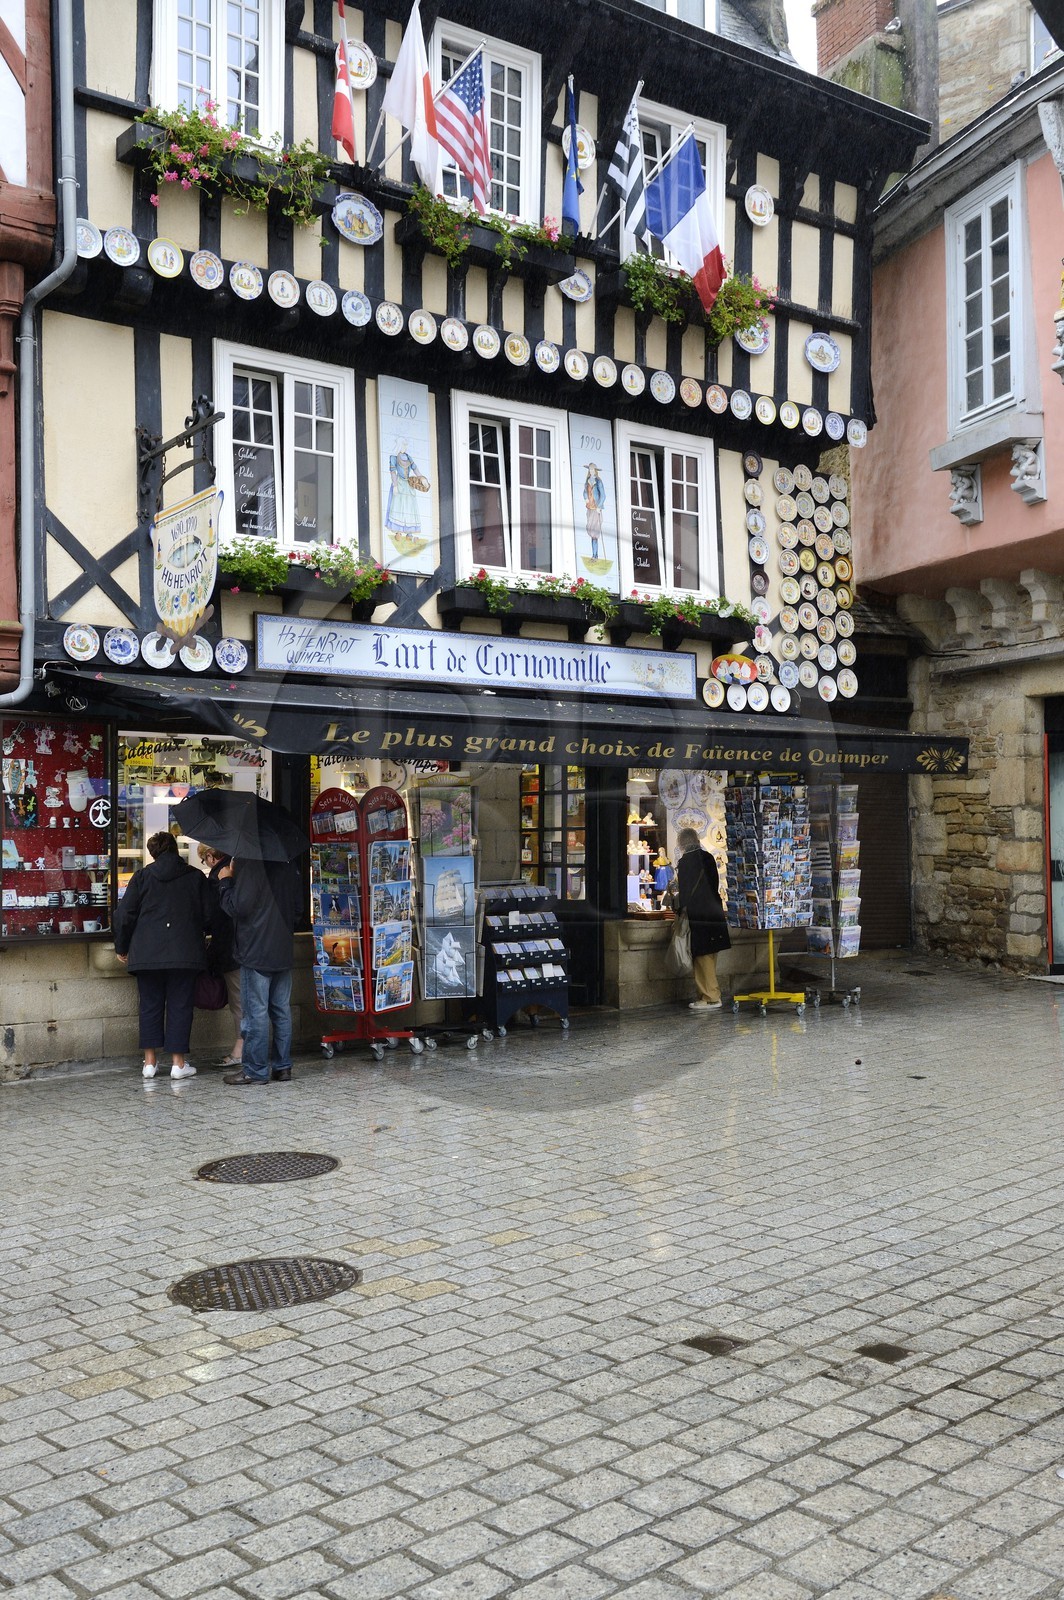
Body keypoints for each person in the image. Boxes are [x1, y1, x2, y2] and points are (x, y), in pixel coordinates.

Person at [113, 832, 210, 1079]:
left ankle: (149, 1063)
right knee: (180, 1006)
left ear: (153, 853)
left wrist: (121, 946)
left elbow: (124, 915)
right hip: (184, 952)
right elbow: (210, 915)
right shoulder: (195, 877)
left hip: (147, 953)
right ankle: (178, 1064)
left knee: (149, 1005)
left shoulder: (142, 877)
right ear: (175, 850)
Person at [217, 856, 300, 1085]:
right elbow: (298, 909)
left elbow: (237, 906)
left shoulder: (250, 864)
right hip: (282, 948)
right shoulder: (288, 863)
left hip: (256, 950)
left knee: (255, 1013)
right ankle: (283, 1067)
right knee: (281, 1010)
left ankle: (255, 1069)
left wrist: (226, 881)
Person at [197, 843, 243, 1067]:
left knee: (239, 1003)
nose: (205, 864)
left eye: (203, 860)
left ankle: (241, 1051)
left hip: (230, 949)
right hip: (243, 946)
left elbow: (213, 916)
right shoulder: (238, 868)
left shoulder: (219, 877)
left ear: (210, 856)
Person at [675, 826, 731, 1011]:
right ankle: (707, 994)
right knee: (710, 956)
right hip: (713, 912)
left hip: (698, 915)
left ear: (682, 843)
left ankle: (710, 997)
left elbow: (684, 892)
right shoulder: (708, 858)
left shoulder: (685, 862)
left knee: (702, 957)